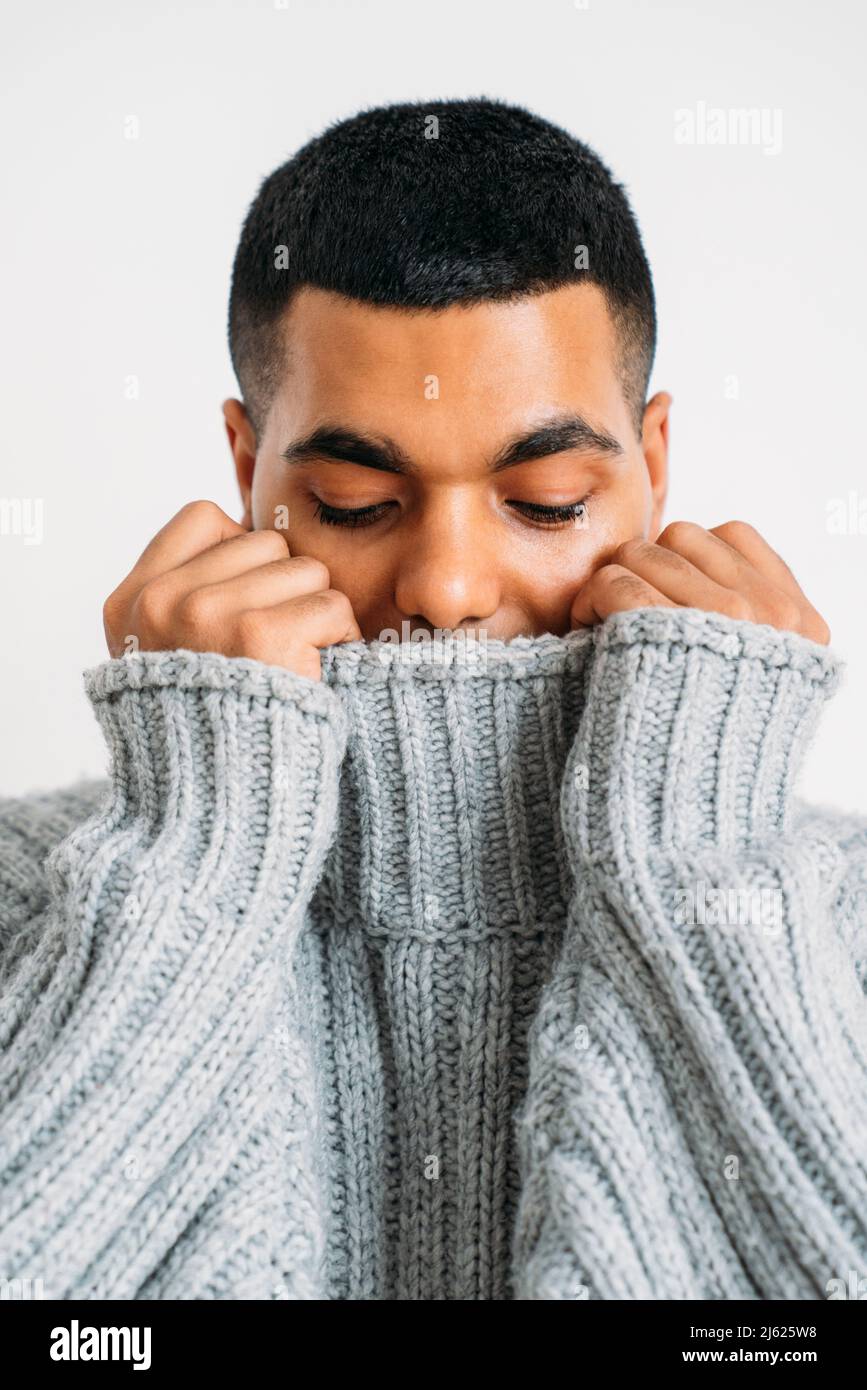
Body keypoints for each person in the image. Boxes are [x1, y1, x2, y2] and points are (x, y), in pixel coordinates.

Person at [1, 97, 865, 1301]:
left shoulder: (843, 913)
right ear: (248, 470)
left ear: (653, 465)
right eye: (357, 501)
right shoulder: (27, 890)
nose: (449, 588)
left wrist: (702, 857)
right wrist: (194, 854)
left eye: (550, 497)